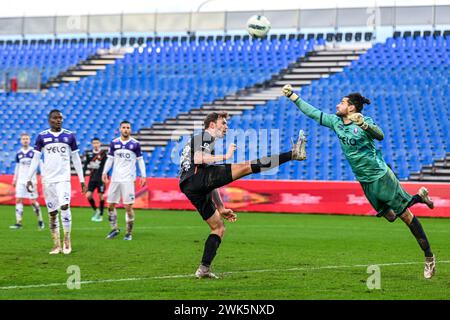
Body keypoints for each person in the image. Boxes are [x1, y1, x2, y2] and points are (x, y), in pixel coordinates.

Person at [282, 84, 436, 279]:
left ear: (352, 107)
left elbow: (379, 135)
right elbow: (313, 113)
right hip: (364, 180)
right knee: (389, 217)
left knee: (405, 216)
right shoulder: (336, 122)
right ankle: (420, 197)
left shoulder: (363, 121)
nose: (338, 105)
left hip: (381, 176)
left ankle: (429, 258)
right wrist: (293, 96)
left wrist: (364, 124)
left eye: (342, 103)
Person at [179, 111, 307, 279]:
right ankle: (292, 154)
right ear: (212, 125)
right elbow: (198, 158)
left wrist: (221, 207)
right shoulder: (205, 136)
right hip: (195, 179)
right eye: (223, 123)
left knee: (218, 227)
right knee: (247, 166)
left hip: (190, 185)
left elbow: (211, 181)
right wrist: (225, 156)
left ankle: (204, 269)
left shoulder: (201, 140)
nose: (226, 126)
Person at [26, 109, 87, 255]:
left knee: (65, 206)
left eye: (60, 118)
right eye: (56, 118)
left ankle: (67, 240)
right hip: (48, 180)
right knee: (52, 212)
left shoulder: (69, 136)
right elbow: (36, 159)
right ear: (50, 120)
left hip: (63, 179)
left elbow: (76, 159)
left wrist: (82, 179)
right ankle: (56, 244)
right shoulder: (42, 137)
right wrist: (29, 178)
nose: (59, 120)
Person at [102, 121, 146, 241]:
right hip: (115, 179)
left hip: (128, 179)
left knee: (128, 206)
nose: (126, 129)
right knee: (110, 205)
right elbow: (110, 159)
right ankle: (114, 229)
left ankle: (128, 232)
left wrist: (143, 175)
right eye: (124, 127)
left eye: (128, 128)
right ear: (120, 129)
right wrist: (104, 172)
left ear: (130, 130)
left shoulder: (135, 144)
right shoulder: (114, 143)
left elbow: (140, 160)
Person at [10, 133, 44, 230]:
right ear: (21, 141)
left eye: (27, 139)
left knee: (33, 202)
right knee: (18, 200)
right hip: (20, 180)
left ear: (29, 140)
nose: (25, 140)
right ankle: (18, 223)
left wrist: (43, 176)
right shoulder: (19, 153)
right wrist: (14, 179)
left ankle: (40, 221)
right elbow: (17, 167)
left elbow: (40, 164)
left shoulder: (34, 152)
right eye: (23, 139)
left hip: (31, 181)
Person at [84, 137, 107, 222]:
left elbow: (106, 165)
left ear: (100, 143)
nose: (96, 144)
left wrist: (106, 176)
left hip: (100, 178)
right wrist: (83, 175)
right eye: (94, 143)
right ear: (92, 144)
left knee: (101, 196)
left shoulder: (103, 153)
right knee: (88, 195)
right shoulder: (89, 154)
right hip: (92, 178)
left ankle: (100, 215)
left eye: (97, 143)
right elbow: (85, 165)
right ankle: (96, 210)